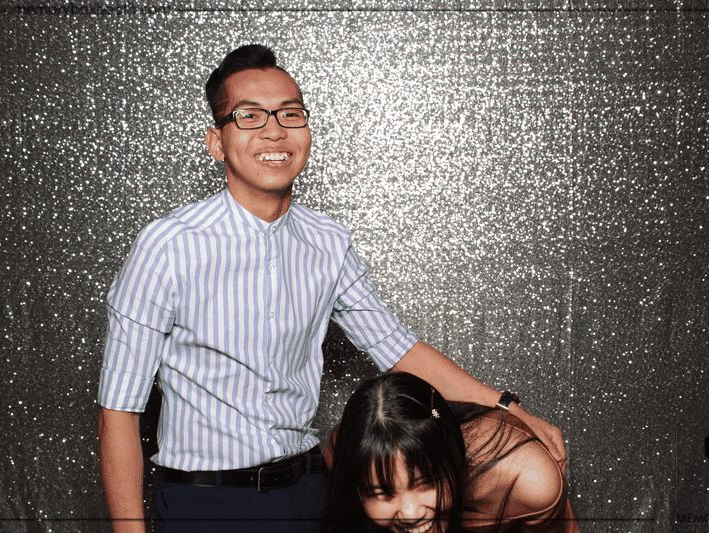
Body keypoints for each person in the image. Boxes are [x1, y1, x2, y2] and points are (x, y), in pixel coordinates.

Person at [97, 44, 568, 533]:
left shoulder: (328, 241)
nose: (274, 130)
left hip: (308, 493)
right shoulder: (167, 247)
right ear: (217, 142)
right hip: (206, 504)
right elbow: (118, 412)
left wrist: (506, 406)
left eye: (289, 113)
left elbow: (398, 349)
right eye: (249, 116)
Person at [324, 372, 579, 533]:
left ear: (453, 454)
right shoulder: (344, 452)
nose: (411, 514)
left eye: (425, 483)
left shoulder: (530, 480)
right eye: (383, 494)